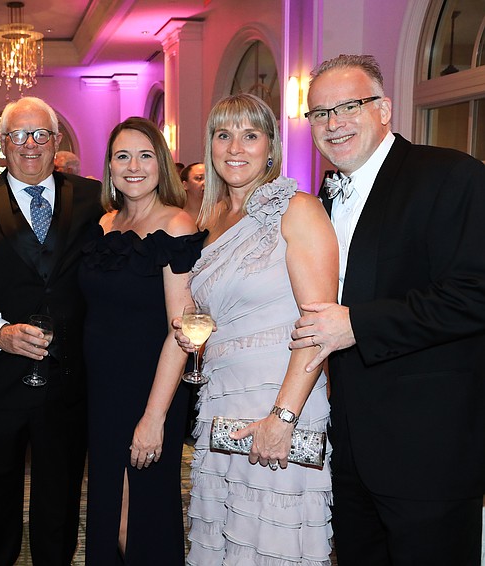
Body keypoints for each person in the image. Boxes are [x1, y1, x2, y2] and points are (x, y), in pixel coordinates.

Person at [289, 54, 485, 566]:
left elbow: (475, 293)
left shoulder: (451, 176)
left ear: (385, 109)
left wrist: (358, 324)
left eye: (349, 106)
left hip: (429, 452)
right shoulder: (324, 199)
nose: (334, 124)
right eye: (319, 113)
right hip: (353, 450)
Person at [175, 93, 337, 564]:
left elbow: (318, 324)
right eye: (224, 135)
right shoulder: (213, 219)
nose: (235, 147)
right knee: (228, 540)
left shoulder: (299, 208)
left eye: (251, 135)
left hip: (280, 405)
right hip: (220, 401)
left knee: (273, 543)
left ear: (272, 146)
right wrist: (197, 334)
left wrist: (282, 419)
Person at [0, 96, 102, 565]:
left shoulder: (94, 198)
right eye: (18, 135)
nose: (29, 145)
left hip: (69, 385)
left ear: (56, 142)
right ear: (2, 145)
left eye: (40, 135)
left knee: (61, 504)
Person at [79, 117, 201, 564]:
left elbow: (182, 331)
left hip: (150, 389)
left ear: (162, 164)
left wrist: (154, 418)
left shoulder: (176, 225)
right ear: (109, 167)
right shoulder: (106, 223)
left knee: (137, 519)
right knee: (109, 510)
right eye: (122, 156)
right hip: (103, 392)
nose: (133, 166)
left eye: (145, 155)